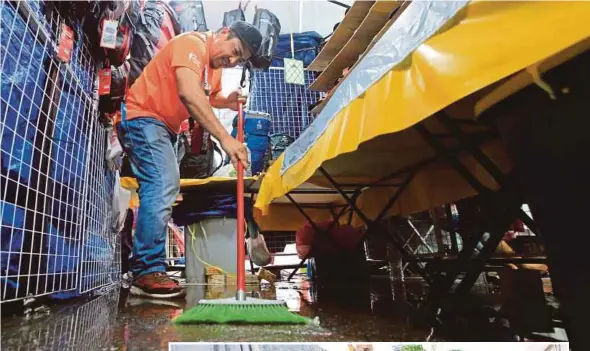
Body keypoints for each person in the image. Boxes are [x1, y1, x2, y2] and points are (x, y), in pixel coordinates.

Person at [116, 21, 263, 298]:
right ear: (222, 34)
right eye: (234, 50)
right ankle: (146, 271)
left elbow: (207, 95)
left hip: (164, 126)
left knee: (162, 187)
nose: (231, 60)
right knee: (162, 185)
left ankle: (147, 267)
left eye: (238, 60)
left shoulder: (213, 67)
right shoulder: (191, 44)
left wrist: (227, 101)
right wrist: (225, 138)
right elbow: (190, 93)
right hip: (144, 118)